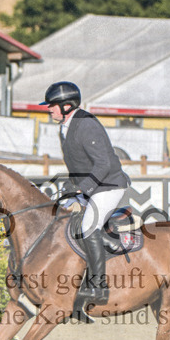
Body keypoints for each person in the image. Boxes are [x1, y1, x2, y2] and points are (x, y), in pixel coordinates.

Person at [42, 81, 130, 305]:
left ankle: (98, 287)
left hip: (108, 185)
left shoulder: (86, 124)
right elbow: (78, 163)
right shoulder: (65, 126)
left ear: (67, 106)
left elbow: (103, 164)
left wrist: (82, 188)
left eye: (52, 105)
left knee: (88, 227)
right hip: (91, 185)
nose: (48, 109)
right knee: (58, 220)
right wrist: (72, 186)